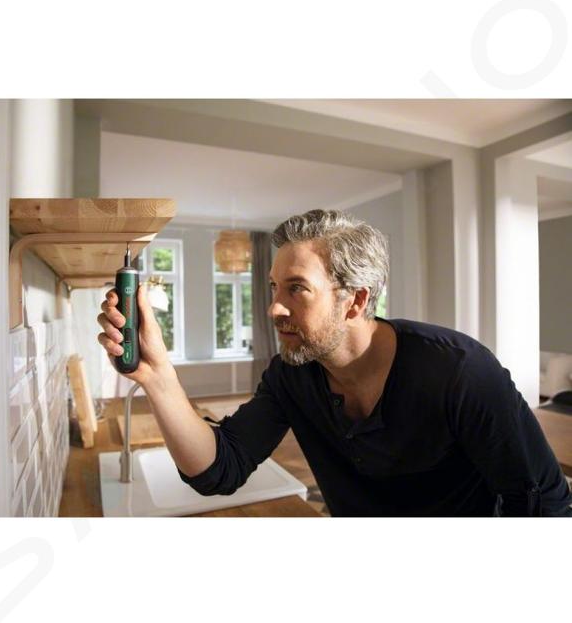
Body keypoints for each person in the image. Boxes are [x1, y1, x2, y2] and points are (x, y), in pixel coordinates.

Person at [97, 209, 572, 517]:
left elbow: (544, 506)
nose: (273, 308)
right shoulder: (291, 374)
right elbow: (219, 469)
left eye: (296, 289)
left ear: (355, 301)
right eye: (274, 287)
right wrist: (158, 377)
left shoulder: (461, 372)